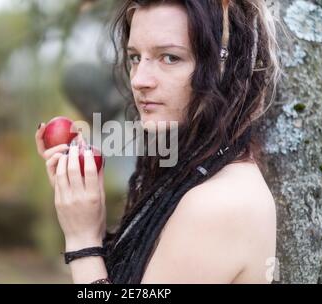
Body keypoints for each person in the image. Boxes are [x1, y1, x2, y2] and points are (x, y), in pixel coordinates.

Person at [35, 0, 280, 284]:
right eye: (136, 57)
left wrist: (82, 241)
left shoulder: (219, 205)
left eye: (170, 57)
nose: (139, 80)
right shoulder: (196, 173)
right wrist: (89, 215)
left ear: (225, 69)